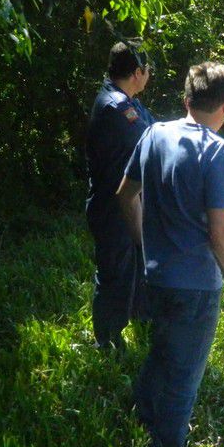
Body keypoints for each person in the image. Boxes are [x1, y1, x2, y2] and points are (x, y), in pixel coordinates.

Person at [116, 62, 224, 447]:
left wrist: (144, 244)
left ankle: (140, 422)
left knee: (161, 353)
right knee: (183, 379)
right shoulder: (219, 152)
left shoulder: (153, 134)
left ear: (186, 100)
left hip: (156, 276)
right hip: (196, 286)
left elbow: (124, 195)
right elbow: (220, 231)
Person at [85, 42, 155, 349]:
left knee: (137, 268)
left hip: (127, 203)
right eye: (148, 70)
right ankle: (107, 340)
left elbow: (154, 128)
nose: (149, 75)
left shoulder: (126, 101)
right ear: (137, 72)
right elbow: (150, 141)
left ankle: (141, 319)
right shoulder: (117, 107)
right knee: (116, 274)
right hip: (114, 207)